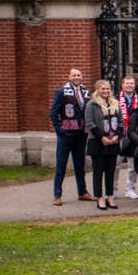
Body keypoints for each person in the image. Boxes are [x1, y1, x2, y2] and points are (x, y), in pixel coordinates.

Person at [50, 68, 93, 205]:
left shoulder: (86, 92)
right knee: (61, 165)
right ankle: (57, 195)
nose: (76, 77)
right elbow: (53, 113)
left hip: (81, 133)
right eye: (74, 75)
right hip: (66, 134)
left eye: (79, 75)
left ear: (82, 77)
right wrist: (59, 130)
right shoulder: (62, 91)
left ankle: (82, 192)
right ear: (69, 77)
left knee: (80, 165)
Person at [84, 79, 121, 210]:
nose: (105, 91)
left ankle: (109, 196)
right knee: (98, 172)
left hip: (113, 143)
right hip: (98, 143)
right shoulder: (91, 105)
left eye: (107, 89)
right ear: (97, 90)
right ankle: (99, 198)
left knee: (111, 172)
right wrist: (102, 137)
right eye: (102, 89)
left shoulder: (115, 104)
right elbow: (89, 123)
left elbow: (121, 122)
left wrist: (117, 135)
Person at [114, 75, 138, 199]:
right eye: (127, 83)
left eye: (131, 83)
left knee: (133, 164)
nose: (129, 85)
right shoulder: (114, 100)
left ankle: (130, 189)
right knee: (115, 165)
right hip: (119, 135)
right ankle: (113, 189)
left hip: (134, 135)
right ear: (122, 85)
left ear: (134, 85)